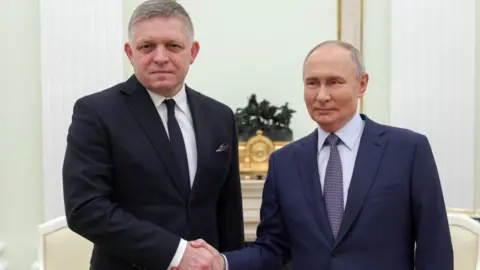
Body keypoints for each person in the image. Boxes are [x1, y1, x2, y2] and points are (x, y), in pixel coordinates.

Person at [190, 40, 454, 270]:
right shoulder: (285, 162)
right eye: (312, 83)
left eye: (334, 82)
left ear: (362, 85)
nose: (322, 96)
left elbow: (435, 246)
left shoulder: (408, 150)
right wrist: (223, 263)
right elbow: (273, 248)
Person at [62, 1, 245, 269]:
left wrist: (230, 262)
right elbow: (86, 208)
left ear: (192, 52)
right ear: (130, 52)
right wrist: (177, 252)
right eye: (147, 46)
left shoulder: (219, 116)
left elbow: (228, 210)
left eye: (173, 46)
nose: (160, 57)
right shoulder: (96, 113)